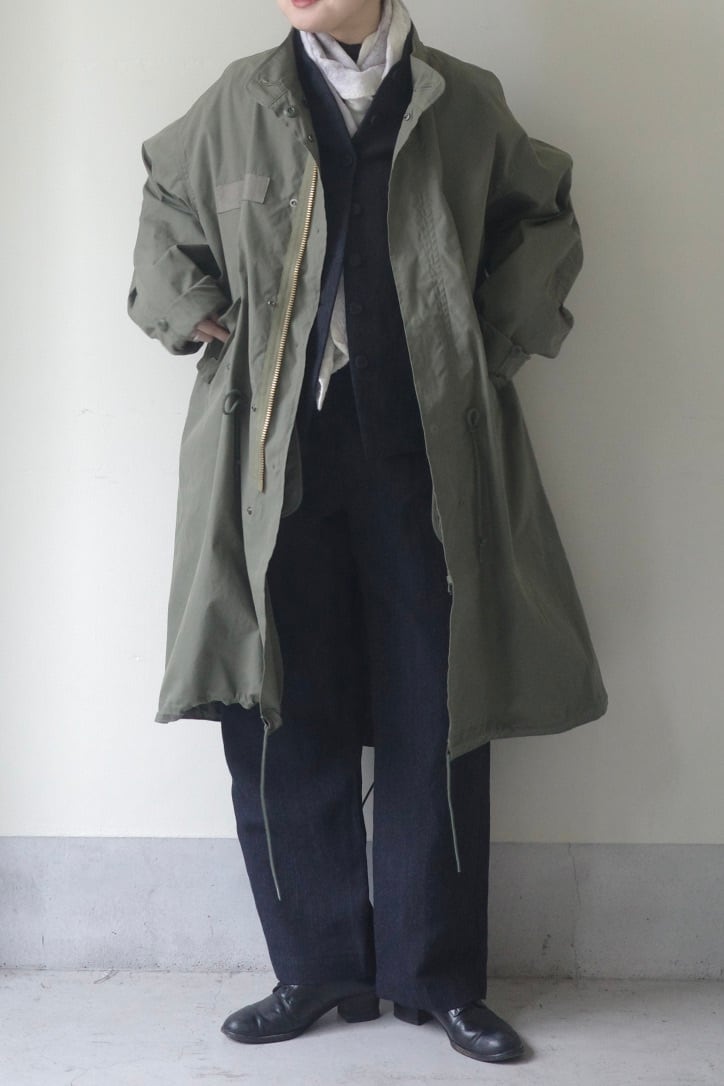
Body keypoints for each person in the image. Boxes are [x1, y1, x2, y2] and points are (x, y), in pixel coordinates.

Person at [127, 0, 607, 1065]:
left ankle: (437, 978)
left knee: (439, 699)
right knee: (276, 700)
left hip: (424, 453)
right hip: (270, 461)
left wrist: (490, 341)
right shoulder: (238, 102)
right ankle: (314, 968)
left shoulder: (461, 101)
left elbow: (543, 215)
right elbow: (165, 203)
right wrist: (188, 305)